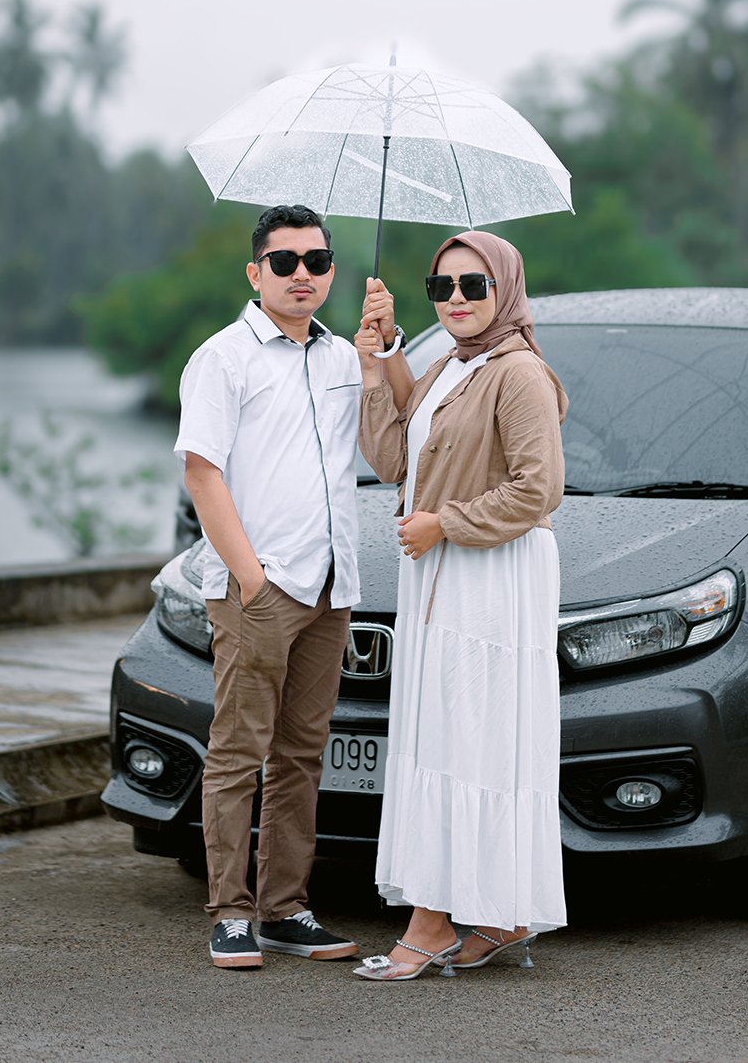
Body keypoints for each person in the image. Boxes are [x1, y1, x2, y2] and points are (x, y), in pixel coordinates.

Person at [352, 230, 568, 981]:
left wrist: (445, 523)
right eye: (440, 287)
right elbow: (393, 460)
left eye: (473, 285)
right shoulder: (451, 364)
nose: (454, 299)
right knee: (454, 738)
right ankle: (501, 916)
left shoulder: (519, 372)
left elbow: (540, 490)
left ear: (504, 290)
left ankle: (431, 924)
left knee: (465, 740)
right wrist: (380, 358)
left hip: (491, 577)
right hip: (441, 573)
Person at [174, 204, 363, 969]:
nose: (301, 274)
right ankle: (230, 913)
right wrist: (251, 581)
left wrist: (384, 351)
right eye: (284, 262)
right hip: (261, 588)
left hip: (330, 585)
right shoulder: (223, 358)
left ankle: (286, 909)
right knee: (237, 752)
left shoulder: (345, 358)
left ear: (330, 272)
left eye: (316, 261)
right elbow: (201, 473)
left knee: (301, 755)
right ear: (256, 273)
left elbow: (393, 438)